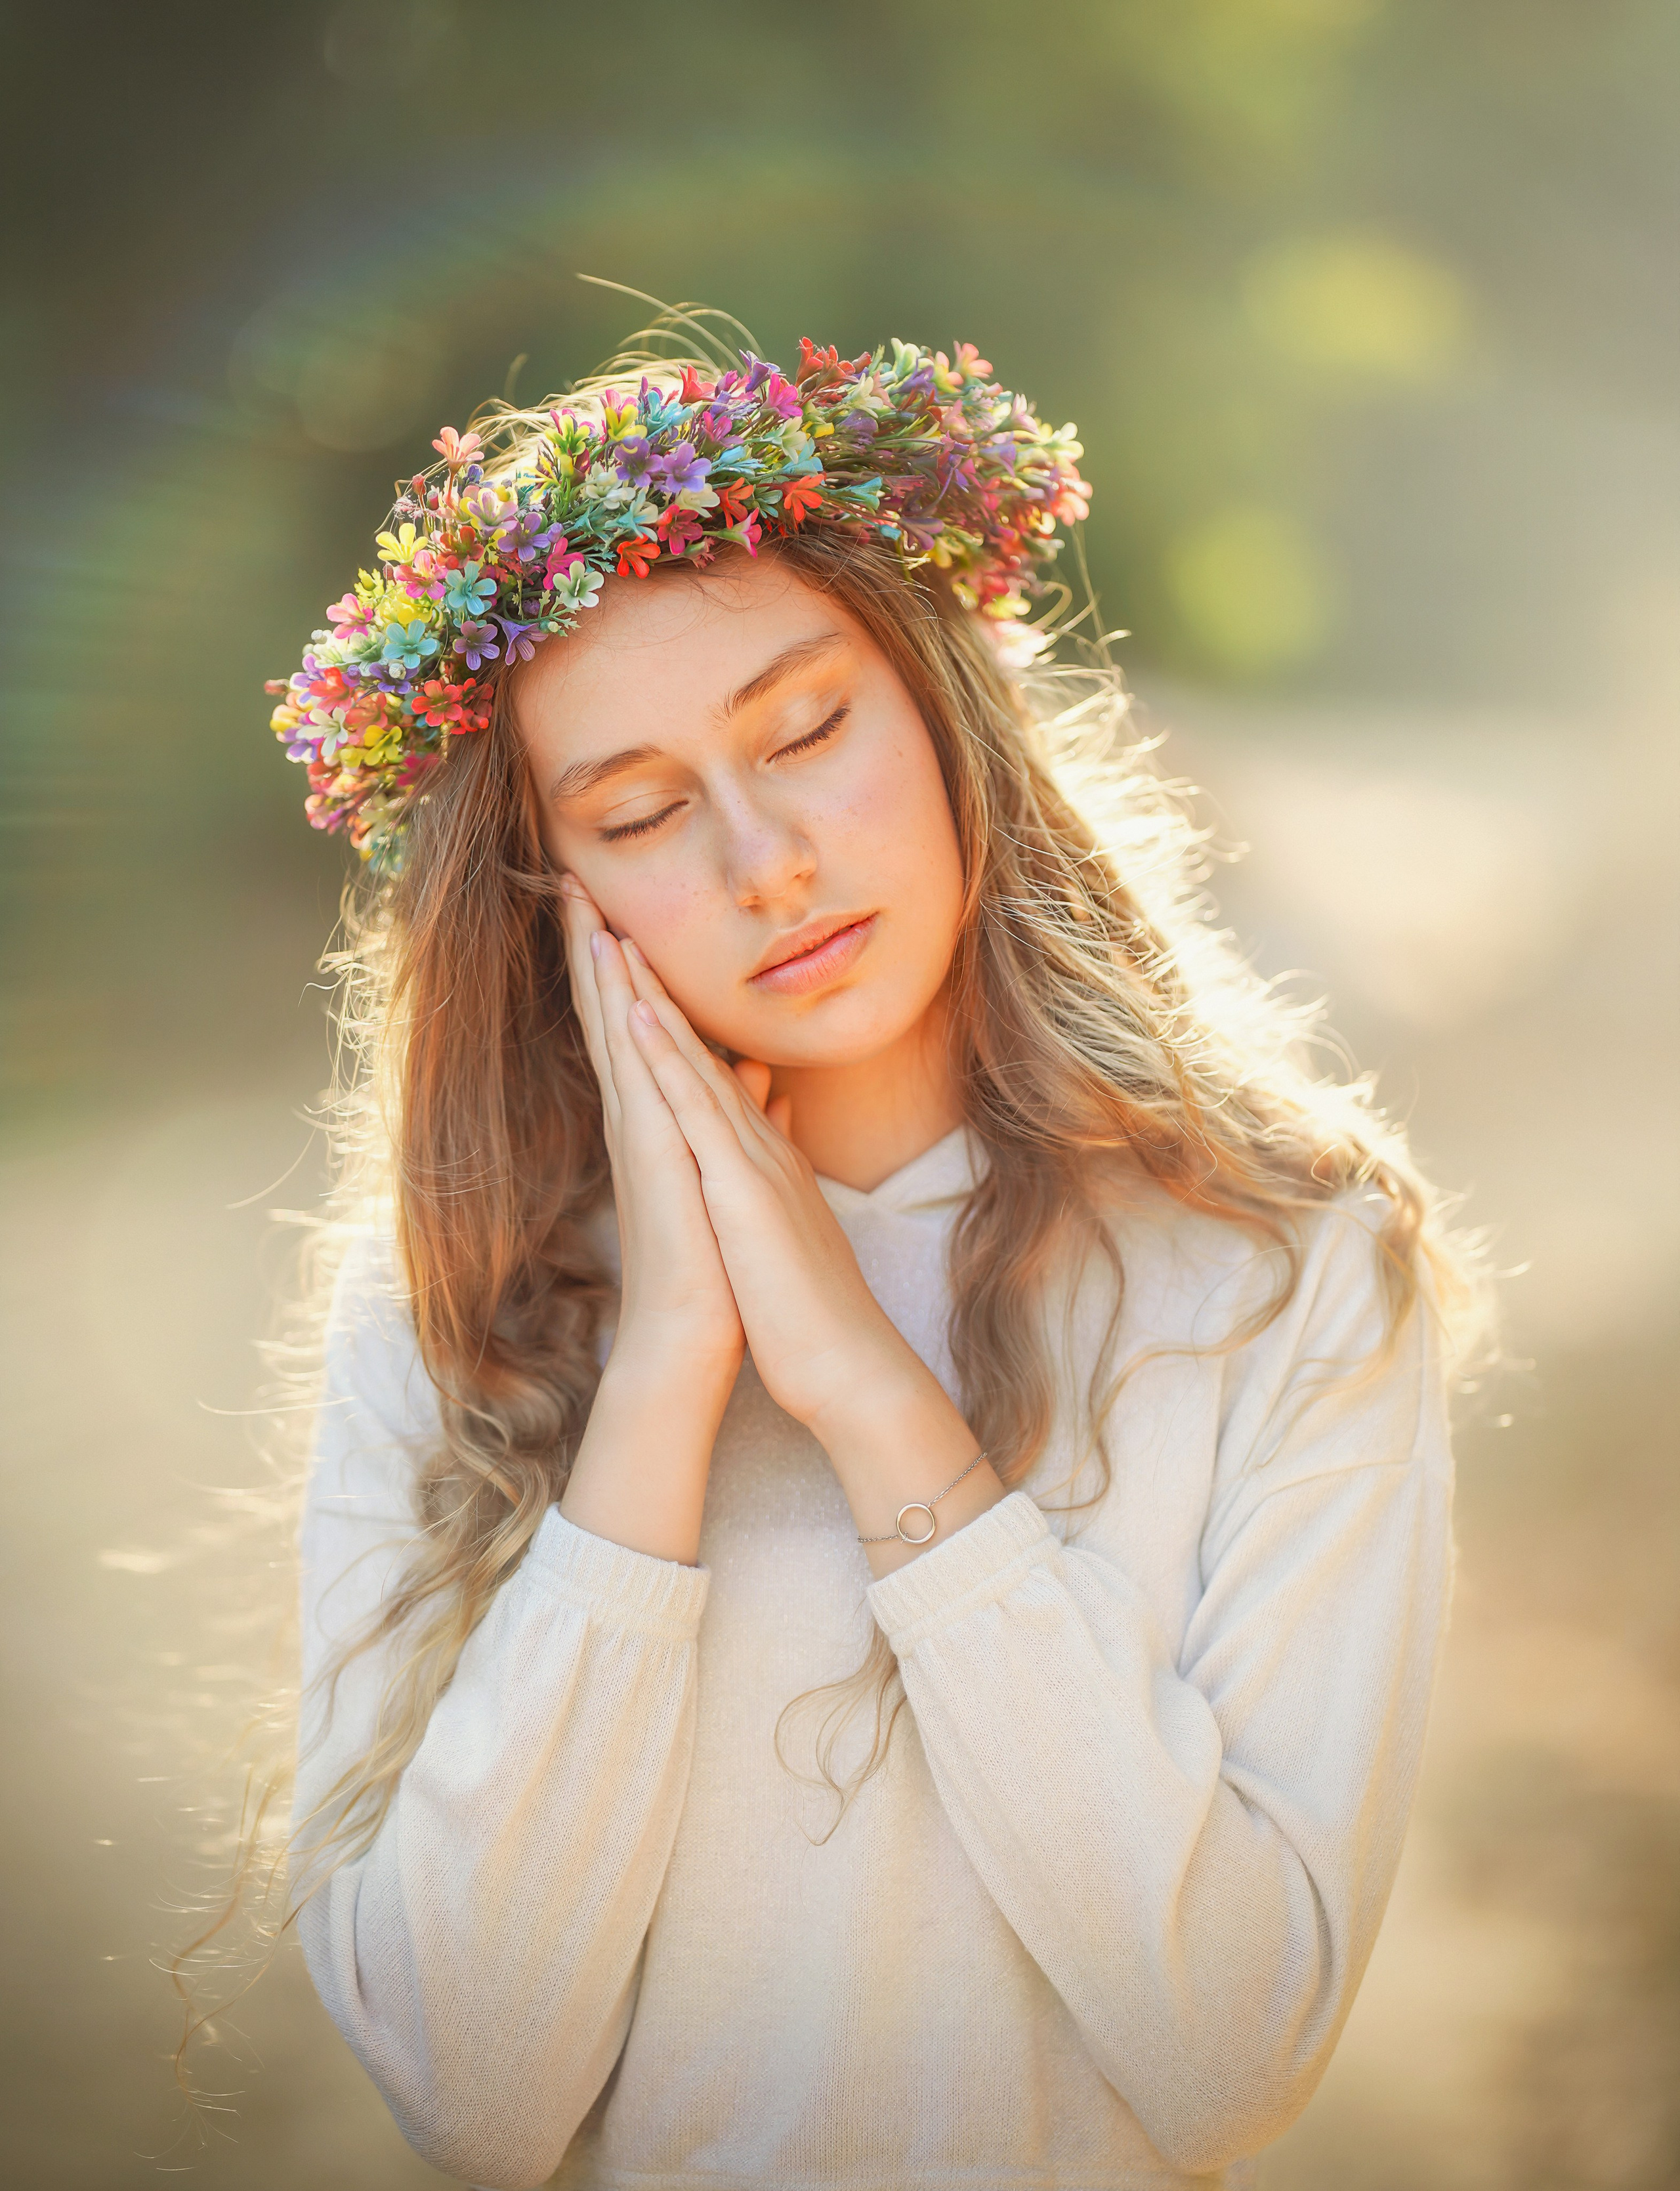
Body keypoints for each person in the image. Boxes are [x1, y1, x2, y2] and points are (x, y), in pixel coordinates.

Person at [265, 320, 1486, 2190]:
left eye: (808, 729)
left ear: (940, 708)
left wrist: (863, 1392)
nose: (766, 860)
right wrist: (667, 1380)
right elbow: (473, 2093)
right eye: (644, 811)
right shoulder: (452, 1306)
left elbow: (1232, 2051)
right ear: (551, 904)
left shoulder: (1286, 1268)